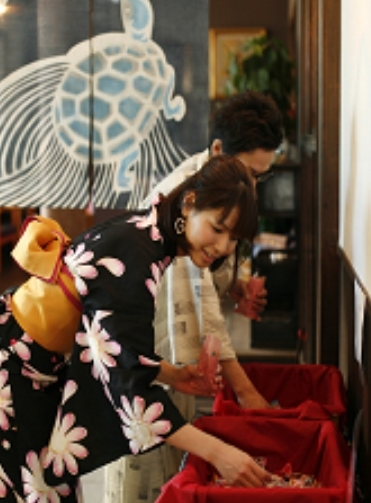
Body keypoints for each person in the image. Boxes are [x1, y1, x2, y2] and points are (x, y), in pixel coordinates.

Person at [0, 155, 272, 502]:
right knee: (37, 495)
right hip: (10, 369)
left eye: (234, 239)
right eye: (217, 228)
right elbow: (132, 392)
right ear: (189, 204)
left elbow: (114, 345)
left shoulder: (149, 238)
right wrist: (220, 454)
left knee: (49, 493)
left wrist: (170, 374)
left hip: (29, 364)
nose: (222, 247)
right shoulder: (136, 251)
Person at [104, 91, 285, 503]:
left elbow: (209, 278)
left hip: (154, 367)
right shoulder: (177, 204)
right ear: (218, 150)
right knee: (142, 472)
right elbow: (199, 304)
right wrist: (245, 392)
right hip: (131, 358)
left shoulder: (217, 195)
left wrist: (234, 284)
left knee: (169, 469)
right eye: (250, 172)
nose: (252, 186)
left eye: (261, 177)